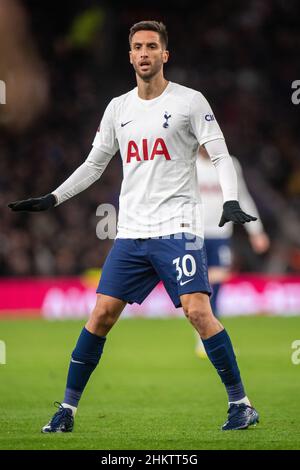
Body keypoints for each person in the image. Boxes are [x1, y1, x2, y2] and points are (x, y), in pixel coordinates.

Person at [8, 20, 260, 432]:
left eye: (151, 46)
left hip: (177, 227)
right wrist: (53, 198)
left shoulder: (190, 102)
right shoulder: (118, 108)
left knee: (198, 311)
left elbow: (219, 154)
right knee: (101, 315)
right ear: (130, 56)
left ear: (165, 54)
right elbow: (93, 165)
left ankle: (240, 404)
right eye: (137, 47)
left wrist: (230, 200)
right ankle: (67, 410)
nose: (144, 53)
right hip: (131, 232)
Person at [195, 145, 270, 358]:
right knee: (199, 285)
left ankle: (208, 337)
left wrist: (256, 231)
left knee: (215, 282)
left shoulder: (230, 164)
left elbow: (242, 198)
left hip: (220, 233)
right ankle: (203, 336)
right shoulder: (188, 163)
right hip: (194, 233)